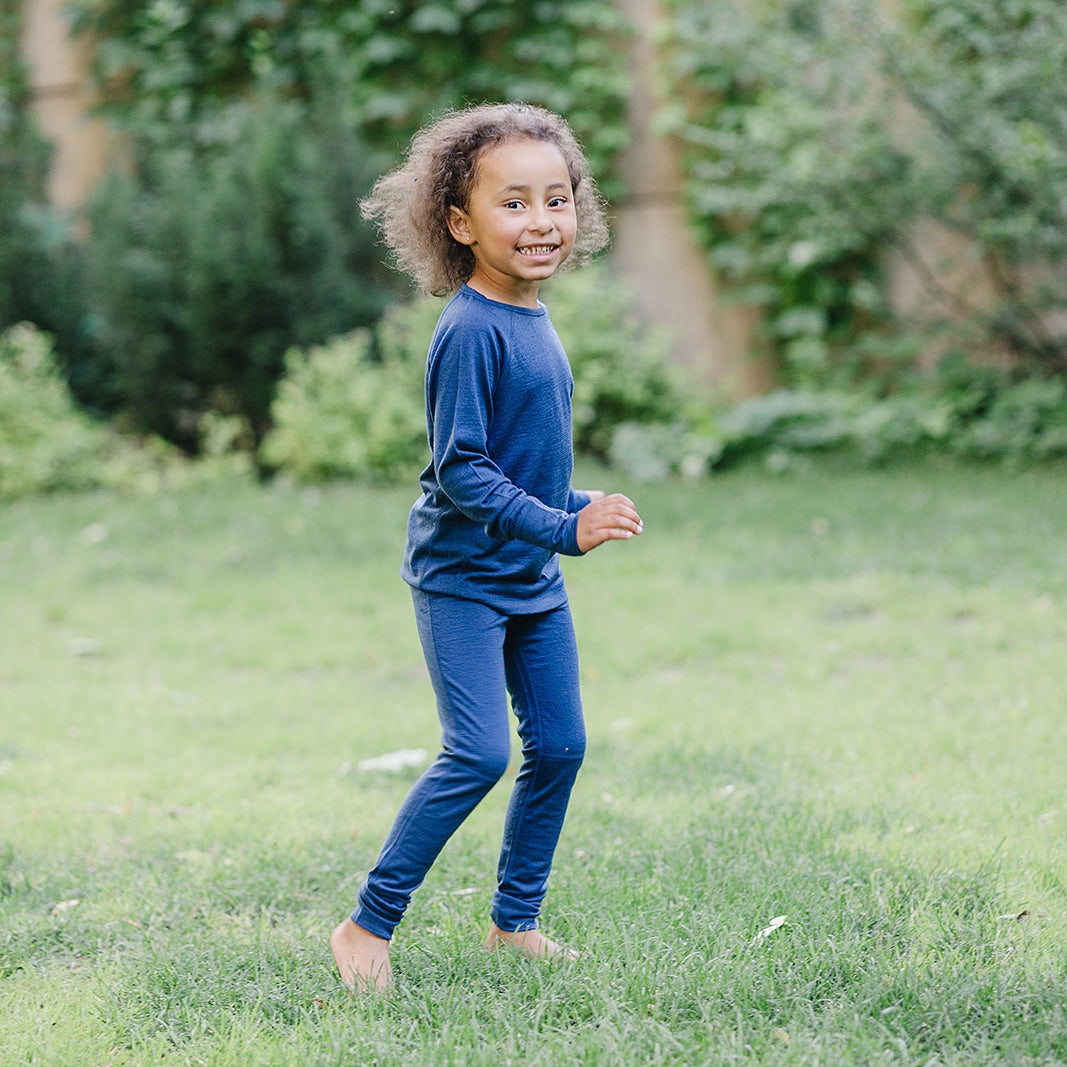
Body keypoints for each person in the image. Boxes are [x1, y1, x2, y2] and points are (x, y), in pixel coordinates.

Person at [331, 103, 644, 993]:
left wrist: (577, 505)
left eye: (556, 199)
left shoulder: (532, 317)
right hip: (463, 579)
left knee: (561, 745)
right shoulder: (470, 329)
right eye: (513, 203)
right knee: (476, 752)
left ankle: (514, 923)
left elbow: (522, 467)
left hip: (529, 574)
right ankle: (365, 924)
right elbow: (462, 471)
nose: (540, 221)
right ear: (459, 224)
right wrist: (563, 528)